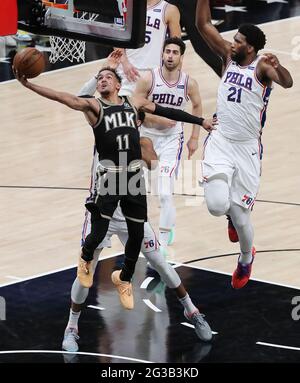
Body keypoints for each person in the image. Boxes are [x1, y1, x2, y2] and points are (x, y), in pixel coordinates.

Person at [14, 50, 215, 311]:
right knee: (85, 274)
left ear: (120, 86)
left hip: (129, 191)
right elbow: (69, 98)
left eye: (108, 77)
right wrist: (30, 85)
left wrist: (199, 122)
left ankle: (191, 310)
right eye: (100, 79)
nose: (103, 80)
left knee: (158, 261)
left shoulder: (136, 117)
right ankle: (72, 326)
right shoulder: (95, 109)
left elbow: (166, 114)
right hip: (107, 190)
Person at [196, 0, 293, 289]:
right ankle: (227, 211)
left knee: (241, 217)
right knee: (216, 205)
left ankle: (245, 258)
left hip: (247, 148)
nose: (232, 43)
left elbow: (287, 82)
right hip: (222, 140)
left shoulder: (262, 67)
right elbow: (203, 26)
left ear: (250, 47)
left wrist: (280, 67)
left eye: (237, 41)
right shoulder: (228, 56)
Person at [135, 36, 204, 250]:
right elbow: (137, 107)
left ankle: (162, 246)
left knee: (165, 193)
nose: (170, 56)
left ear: (181, 57)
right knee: (153, 189)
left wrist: (194, 138)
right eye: (167, 52)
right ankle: (157, 227)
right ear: (162, 54)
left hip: (172, 140)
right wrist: (159, 119)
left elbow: (198, 105)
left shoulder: (188, 82)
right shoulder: (148, 79)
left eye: (175, 52)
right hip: (146, 137)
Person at [117, 0, 181, 96]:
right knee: (123, 109)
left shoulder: (169, 9)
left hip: (154, 72)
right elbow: (116, 36)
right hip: (128, 70)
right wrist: (124, 62)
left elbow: (177, 46)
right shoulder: (125, 4)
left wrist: (174, 75)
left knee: (152, 110)